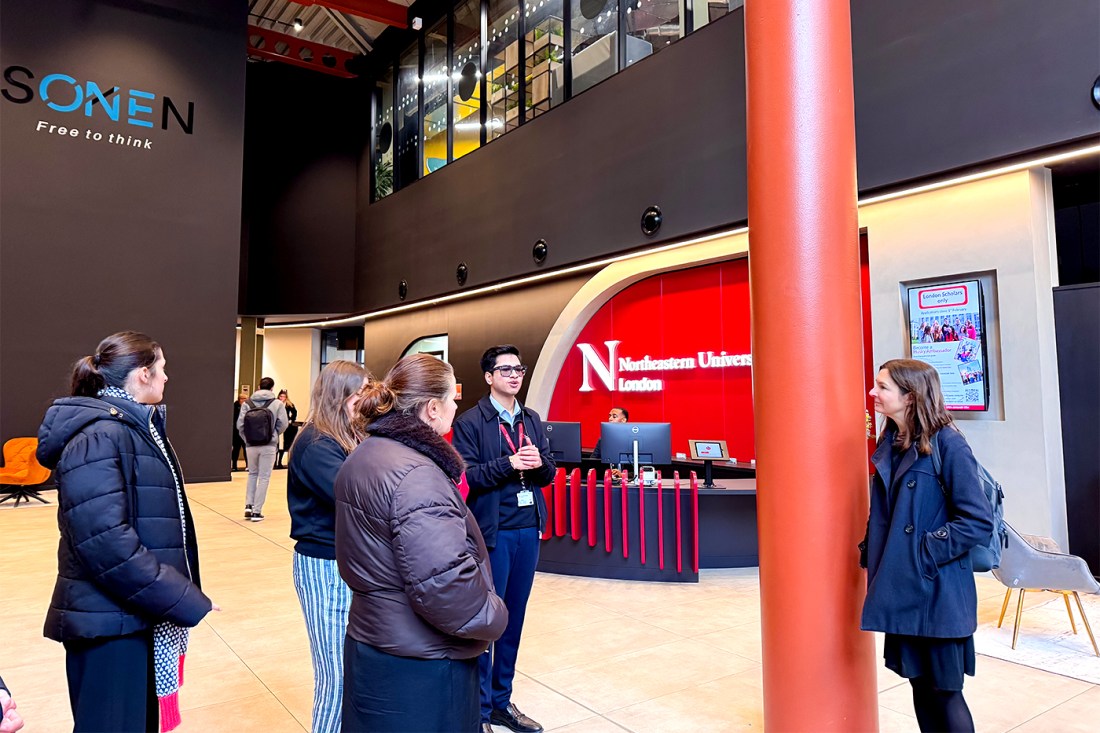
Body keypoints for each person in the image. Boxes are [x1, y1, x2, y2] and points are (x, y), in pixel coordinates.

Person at [36, 331, 219, 732]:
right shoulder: (100, 435)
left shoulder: (131, 428)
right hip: (109, 623)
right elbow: (104, 542)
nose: (167, 378)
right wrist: (181, 597)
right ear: (141, 375)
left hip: (131, 614)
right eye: (162, 370)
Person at [335, 354, 507, 731]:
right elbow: (445, 584)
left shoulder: (367, 453)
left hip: (375, 642)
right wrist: (494, 616)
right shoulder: (417, 474)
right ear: (431, 409)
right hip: (422, 663)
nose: (457, 404)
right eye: (452, 396)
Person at [861, 359, 993, 733]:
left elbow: (977, 521)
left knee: (945, 692)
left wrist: (924, 552)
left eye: (882, 387)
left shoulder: (949, 443)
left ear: (910, 395)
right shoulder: (894, 442)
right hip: (903, 588)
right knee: (920, 686)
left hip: (937, 591)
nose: (873, 393)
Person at [452, 345, 556, 733]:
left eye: (519, 369)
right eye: (506, 369)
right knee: (487, 621)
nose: (515, 375)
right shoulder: (471, 422)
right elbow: (466, 478)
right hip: (491, 535)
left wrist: (540, 464)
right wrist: (508, 463)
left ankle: (501, 701)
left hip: (528, 529)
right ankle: (478, 711)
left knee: (513, 618)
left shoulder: (531, 418)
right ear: (489, 377)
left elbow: (549, 473)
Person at [288, 361, 370, 733]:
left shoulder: (345, 437)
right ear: (343, 396)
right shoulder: (316, 443)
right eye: (363, 391)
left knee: (354, 671)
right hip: (324, 565)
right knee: (335, 675)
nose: (369, 399)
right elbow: (355, 496)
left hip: (347, 563)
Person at [237, 376, 289, 522]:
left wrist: (247, 439)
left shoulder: (248, 403)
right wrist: (273, 434)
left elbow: (240, 425)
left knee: (252, 474)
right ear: (272, 388)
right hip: (269, 445)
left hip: (251, 445)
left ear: (259, 387)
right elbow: (283, 424)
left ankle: (248, 505)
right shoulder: (277, 404)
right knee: (264, 477)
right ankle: (256, 511)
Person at [276, 389, 299, 469]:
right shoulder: (276, 404)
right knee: (277, 445)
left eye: (284, 396)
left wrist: (291, 420)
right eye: (281, 396)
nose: (282, 398)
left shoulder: (289, 405)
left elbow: (295, 412)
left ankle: (279, 462)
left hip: (286, 427)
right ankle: (275, 462)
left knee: (283, 445)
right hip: (277, 425)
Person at [232, 393, 248, 471]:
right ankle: (234, 465)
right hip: (236, 432)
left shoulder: (247, 407)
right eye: (243, 399)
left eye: (246, 399)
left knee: (246, 449)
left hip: (245, 432)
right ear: (239, 399)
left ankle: (248, 465)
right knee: (236, 449)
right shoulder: (234, 407)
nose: (244, 401)